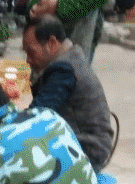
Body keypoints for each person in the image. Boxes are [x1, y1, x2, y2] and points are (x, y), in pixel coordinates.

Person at [23, 15, 113, 172]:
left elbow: (36, 115)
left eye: (31, 52)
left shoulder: (63, 70)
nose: (27, 60)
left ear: (51, 43)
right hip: (90, 142)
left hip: (89, 149)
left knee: (18, 155)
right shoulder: (71, 56)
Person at [16, 0, 111, 62]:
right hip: (47, 27)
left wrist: (60, 5)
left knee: (71, 75)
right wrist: (34, 6)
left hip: (81, 30)